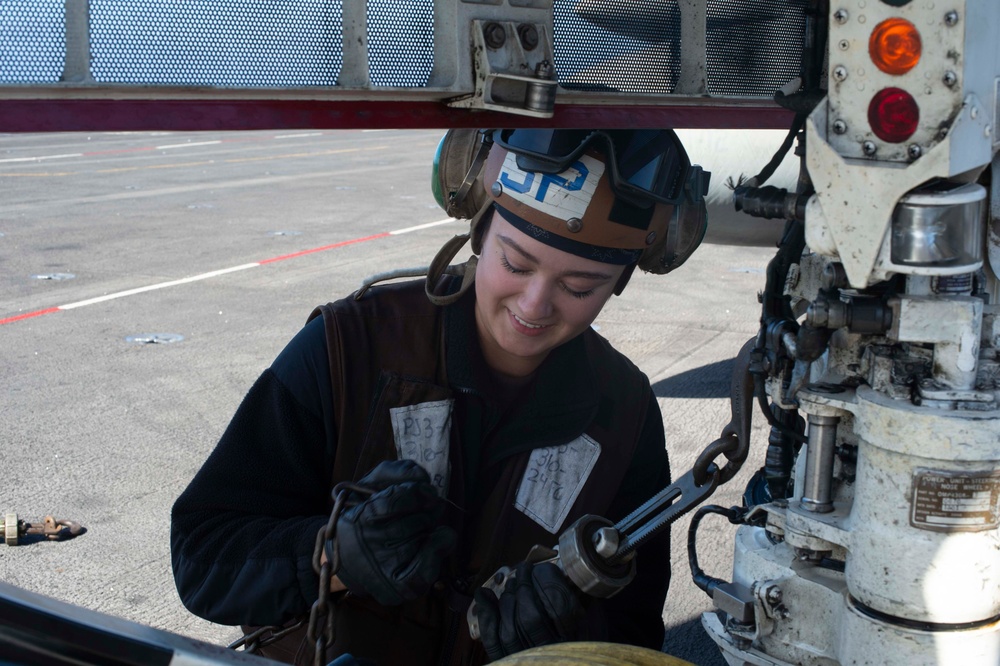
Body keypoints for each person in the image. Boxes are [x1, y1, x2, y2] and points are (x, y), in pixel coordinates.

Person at [170, 128, 708, 665]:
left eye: (580, 287)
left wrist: (565, 631)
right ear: (478, 233)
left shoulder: (625, 414)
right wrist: (334, 555)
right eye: (516, 264)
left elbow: (634, 634)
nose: (535, 304)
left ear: (619, 283)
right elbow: (203, 557)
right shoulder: (348, 349)